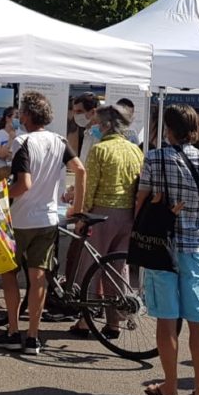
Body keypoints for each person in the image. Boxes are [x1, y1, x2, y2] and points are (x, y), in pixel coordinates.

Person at [136, 104, 199, 395]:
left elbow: (141, 202)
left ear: (168, 130)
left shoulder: (154, 158)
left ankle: (170, 385)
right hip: (197, 248)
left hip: (162, 248)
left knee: (166, 318)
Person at [0, 92, 85, 355]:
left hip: (20, 219)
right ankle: (33, 336)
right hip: (48, 218)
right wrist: (77, 207)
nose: (20, 116)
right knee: (39, 277)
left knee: (9, 274)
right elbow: (80, 169)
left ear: (27, 115)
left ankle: (13, 330)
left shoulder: (22, 142)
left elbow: (23, 185)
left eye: (22, 112)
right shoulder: (59, 140)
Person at [69, 105, 143, 337]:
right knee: (117, 268)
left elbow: (90, 187)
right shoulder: (135, 151)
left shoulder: (100, 150)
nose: (95, 127)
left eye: (99, 124)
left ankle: (85, 320)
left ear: (107, 125)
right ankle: (115, 322)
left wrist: (82, 214)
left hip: (101, 213)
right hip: (127, 214)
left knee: (90, 266)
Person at [0, 105, 19, 181]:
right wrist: (10, 139)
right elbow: (0, 154)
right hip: (0, 172)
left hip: (16, 172)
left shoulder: (22, 134)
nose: (18, 119)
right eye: (16, 116)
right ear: (7, 118)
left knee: (15, 193)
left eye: (19, 117)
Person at [71, 93, 101, 163]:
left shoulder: (99, 135)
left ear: (93, 112)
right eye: (74, 111)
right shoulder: (88, 132)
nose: (76, 115)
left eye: (79, 111)